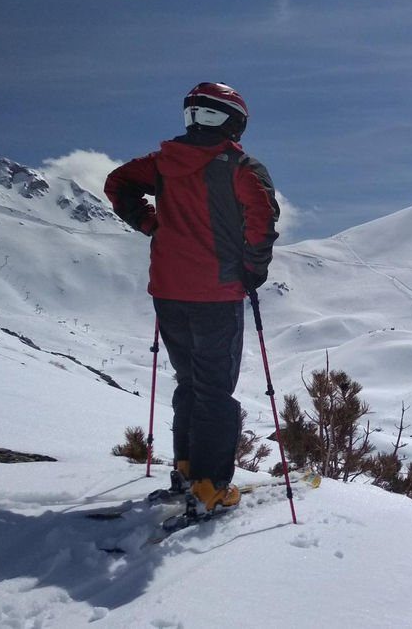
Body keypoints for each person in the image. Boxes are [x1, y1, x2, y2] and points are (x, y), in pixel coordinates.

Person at [105, 82, 279, 512]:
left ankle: (186, 471)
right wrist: (253, 270)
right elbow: (262, 218)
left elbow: (117, 183)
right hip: (216, 295)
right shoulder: (241, 167)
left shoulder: (165, 163)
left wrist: (150, 224)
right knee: (216, 391)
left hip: (168, 292)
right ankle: (211, 487)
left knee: (190, 383)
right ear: (234, 120)